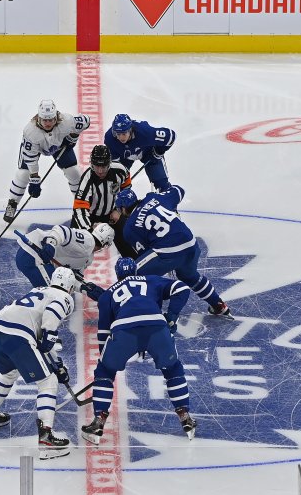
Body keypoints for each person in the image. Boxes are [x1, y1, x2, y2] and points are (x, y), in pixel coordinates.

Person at [81, 256, 196, 445]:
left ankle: (98, 422)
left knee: (104, 372)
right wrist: (172, 316)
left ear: (117, 275)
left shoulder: (108, 294)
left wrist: (107, 360)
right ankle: (185, 416)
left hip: (123, 330)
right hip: (157, 326)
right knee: (173, 368)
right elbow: (182, 289)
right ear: (136, 271)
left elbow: (103, 331)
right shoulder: (151, 279)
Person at [0, 266, 76, 460]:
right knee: (48, 382)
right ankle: (46, 437)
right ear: (70, 286)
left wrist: (57, 364)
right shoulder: (65, 297)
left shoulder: (38, 290)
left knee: (9, 373)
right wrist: (50, 335)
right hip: (19, 335)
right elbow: (52, 315)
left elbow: (41, 340)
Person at [116, 184, 232, 317]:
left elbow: (145, 252)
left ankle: (130, 311)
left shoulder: (129, 228)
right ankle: (219, 305)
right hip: (190, 244)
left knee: (132, 274)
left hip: (167, 252)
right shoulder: (154, 198)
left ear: (123, 208)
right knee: (190, 276)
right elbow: (179, 190)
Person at [4, 99, 91, 222]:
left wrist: (72, 137)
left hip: (58, 146)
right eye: (45, 120)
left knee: (74, 172)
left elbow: (85, 121)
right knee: (23, 173)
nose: (48, 123)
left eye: (50, 119)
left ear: (56, 117)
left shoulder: (66, 121)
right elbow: (31, 158)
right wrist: (34, 179)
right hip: (36, 148)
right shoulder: (30, 131)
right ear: (39, 118)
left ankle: (81, 204)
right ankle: (12, 203)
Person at [13, 202, 115, 288]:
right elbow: (60, 230)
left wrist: (85, 289)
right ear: (105, 244)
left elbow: (71, 278)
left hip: (31, 258)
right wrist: (50, 245)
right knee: (53, 296)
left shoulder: (88, 257)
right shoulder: (87, 240)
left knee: (57, 293)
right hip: (31, 254)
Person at [105, 113, 175, 192]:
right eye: (118, 134)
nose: (121, 137)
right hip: (125, 157)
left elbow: (171, 136)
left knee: (162, 185)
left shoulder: (145, 132)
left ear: (130, 130)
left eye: (124, 134)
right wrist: (118, 177)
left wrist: (158, 152)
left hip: (148, 153)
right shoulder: (109, 139)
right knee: (118, 184)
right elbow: (115, 161)